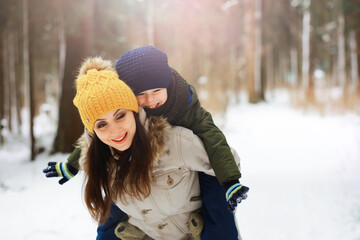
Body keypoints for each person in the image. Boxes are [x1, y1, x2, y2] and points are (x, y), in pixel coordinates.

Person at [43, 47, 249, 239]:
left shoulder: (183, 122)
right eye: (102, 125)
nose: (150, 101)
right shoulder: (102, 150)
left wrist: (229, 181)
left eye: (120, 116)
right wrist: (70, 166)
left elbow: (213, 139)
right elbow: (88, 141)